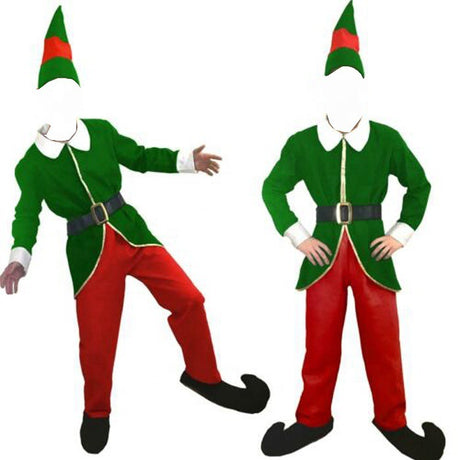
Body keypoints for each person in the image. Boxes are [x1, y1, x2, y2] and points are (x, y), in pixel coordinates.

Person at [0, 6, 269, 454]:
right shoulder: (31, 164)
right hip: (88, 252)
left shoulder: (102, 132)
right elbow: (27, 213)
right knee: (97, 341)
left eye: (69, 91)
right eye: (54, 94)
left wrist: (185, 161)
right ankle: (96, 411)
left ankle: (204, 376)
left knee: (189, 299)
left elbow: (140, 156)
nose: (63, 101)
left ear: (78, 94)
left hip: (133, 233)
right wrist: (18, 256)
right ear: (42, 101)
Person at [260, 2, 445, 459]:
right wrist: (299, 235)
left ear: (364, 90)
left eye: (352, 86)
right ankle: (313, 419)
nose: (344, 94)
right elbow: (272, 188)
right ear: (323, 91)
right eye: (336, 86)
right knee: (319, 342)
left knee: (384, 343)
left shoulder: (387, 139)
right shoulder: (303, 143)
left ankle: (393, 420)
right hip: (323, 253)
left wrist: (401, 232)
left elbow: (420, 185)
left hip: (372, 253)